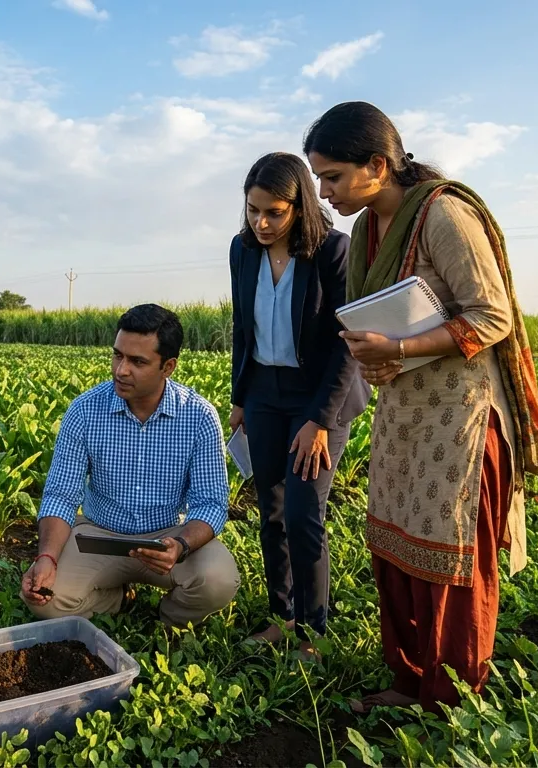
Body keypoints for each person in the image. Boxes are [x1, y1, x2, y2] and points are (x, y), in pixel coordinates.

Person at [306, 102, 538, 714]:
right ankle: (408, 680)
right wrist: (378, 355)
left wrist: (401, 346)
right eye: (319, 178)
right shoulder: (365, 231)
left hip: (461, 416)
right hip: (404, 410)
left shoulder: (444, 214)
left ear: (378, 165)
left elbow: (490, 314)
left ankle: (450, 698)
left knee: (448, 557)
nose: (324, 191)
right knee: (398, 548)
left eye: (332, 176)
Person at [227, 152, 372, 655]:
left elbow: (344, 344)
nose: (261, 223)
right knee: (270, 511)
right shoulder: (242, 251)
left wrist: (319, 420)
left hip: (318, 398)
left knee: (305, 512)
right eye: (252, 210)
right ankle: (282, 616)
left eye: (274, 212)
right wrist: (240, 397)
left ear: (299, 206)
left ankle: (315, 631)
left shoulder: (333, 251)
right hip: (264, 392)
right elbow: (242, 330)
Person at [20, 304, 240, 628]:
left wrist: (180, 545)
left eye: (138, 362)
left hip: (168, 536)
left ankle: (170, 620)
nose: (121, 370)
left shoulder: (199, 417)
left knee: (218, 579)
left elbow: (211, 503)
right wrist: (47, 558)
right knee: (43, 596)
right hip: (99, 535)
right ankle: (118, 599)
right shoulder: (84, 411)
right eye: (117, 355)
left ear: (168, 366)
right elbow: (61, 495)